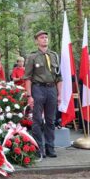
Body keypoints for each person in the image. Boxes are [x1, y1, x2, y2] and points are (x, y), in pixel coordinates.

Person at [24, 30, 62, 161]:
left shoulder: (54, 56)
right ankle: (38, 148)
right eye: (42, 37)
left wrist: (59, 94)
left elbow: (59, 77)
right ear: (36, 41)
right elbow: (27, 77)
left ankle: (50, 147)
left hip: (52, 89)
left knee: (51, 121)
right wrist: (29, 95)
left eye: (46, 37)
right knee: (37, 121)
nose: (45, 39)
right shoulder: (32, 57)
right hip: (38, 89)